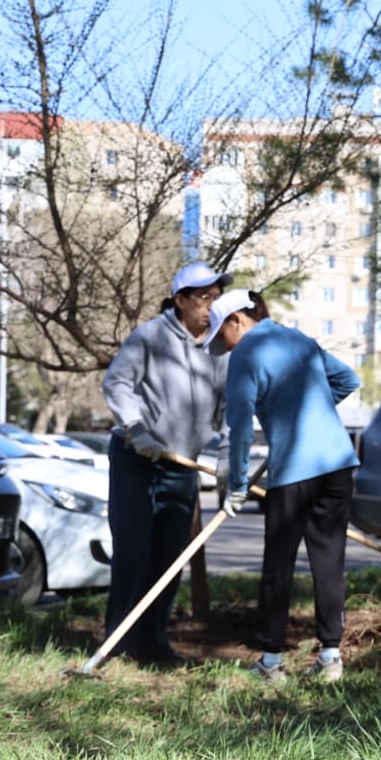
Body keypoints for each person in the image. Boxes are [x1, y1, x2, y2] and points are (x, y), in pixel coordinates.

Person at [201, 289, 360, 684]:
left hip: (295, 472)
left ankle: (271, 662)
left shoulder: (246, 355)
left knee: (278, 564)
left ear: (236, 320)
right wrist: (310, 413)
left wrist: (236, 485)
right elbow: (347, 380)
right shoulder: (299, 339)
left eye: (220, 333)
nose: (221, 344)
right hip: (338, 463)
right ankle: (330, 657)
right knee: (329, 559)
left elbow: (239, 428)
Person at [101, 260, 232, 663]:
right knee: (133, 551)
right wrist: (136, 427)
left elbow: (231, 405)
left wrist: (229, 454)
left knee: (170, 557)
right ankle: (118, 645)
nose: (212, 305)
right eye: (204, 297)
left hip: (182, 466)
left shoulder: (219, 346)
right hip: (135, 458)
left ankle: (153, 642)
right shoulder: (150, 336)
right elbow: (117, 382)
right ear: (180, 300)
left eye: (217, 297)